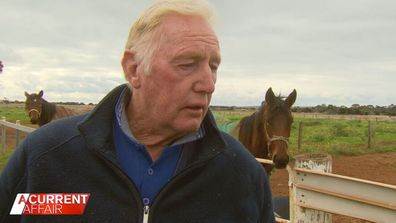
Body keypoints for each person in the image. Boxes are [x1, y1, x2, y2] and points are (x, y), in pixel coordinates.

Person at [0, 0, 275, 222]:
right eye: (187, 63)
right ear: (133, 69)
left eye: (213, 66)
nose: (208, 84)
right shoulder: (47, 156)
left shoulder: (243, 175)